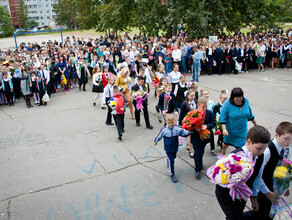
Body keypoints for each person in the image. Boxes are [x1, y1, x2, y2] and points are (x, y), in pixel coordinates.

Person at [215, 126, 271, 220]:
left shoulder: (259, 156)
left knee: (240, 214)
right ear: (249, 142)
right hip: (227, 195)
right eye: (259, 148)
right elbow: (221, 179)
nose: (261, 152)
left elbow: (257, 179)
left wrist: (255, 199)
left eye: (264, 149)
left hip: (243, 194)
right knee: (234, 216)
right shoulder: (234, 157)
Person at [243, 122, 292, 220]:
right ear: (276, 135)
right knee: (260, 214)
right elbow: (257, 175)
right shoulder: (267, 151)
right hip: (262, 189)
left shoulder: (284, 149)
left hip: (272, 188)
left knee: (268, 213)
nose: (289, 142)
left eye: (291, 139)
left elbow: (281, 167)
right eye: (286, 139)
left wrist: (284, 185)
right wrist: (261, 195)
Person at [154, 114, 191, 183]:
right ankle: (172, 174)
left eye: (172, 123)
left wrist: (190, 132)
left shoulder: (177, 128)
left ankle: (169, 160)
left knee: (173, 157)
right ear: (166, 122)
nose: (170, 124)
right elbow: (159, 136)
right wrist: (156, 141)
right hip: (168, 148)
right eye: (169, 123)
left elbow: (183, 132)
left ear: (174, 121)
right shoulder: (164, 130)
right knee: (172, 161)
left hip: (175, 147)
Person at [220, 87, 258, 154]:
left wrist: (255, 124)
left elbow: (250, 114)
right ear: (232, 97)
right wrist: (224, 129)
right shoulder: (227, 104)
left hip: (242, 131)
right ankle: (223, 151)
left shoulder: (246, 101)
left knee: (241, 148)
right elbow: (223, 118)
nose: (239, 99)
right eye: (237, 98)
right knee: (226, 143)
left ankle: (236, 159)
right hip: (230, 130)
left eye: (240, 97)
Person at [190, 97, 216, 179]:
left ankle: (199, 164)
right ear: (198, 106)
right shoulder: (193, 113)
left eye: (205, 107)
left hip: (205, 137)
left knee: (201, 151)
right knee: (198, 153)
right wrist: (195, 128)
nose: (204, 109)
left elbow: (213, 123)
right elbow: (189, 125)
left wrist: (207, 126)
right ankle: (197, 169)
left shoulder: (210, 113)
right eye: (203, 107)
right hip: (196, 137)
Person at [179, 90, 197, 158]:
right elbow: (181, 115)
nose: (193, 97)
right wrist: (181, 124)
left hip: (195, 121)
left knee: (191, 135)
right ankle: (191, 151)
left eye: (194, 96)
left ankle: (188, 145)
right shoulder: (184, 104)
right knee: (190, 135)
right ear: (187, 96)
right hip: (188, 122)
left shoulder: (195, 102)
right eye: (191, 96)